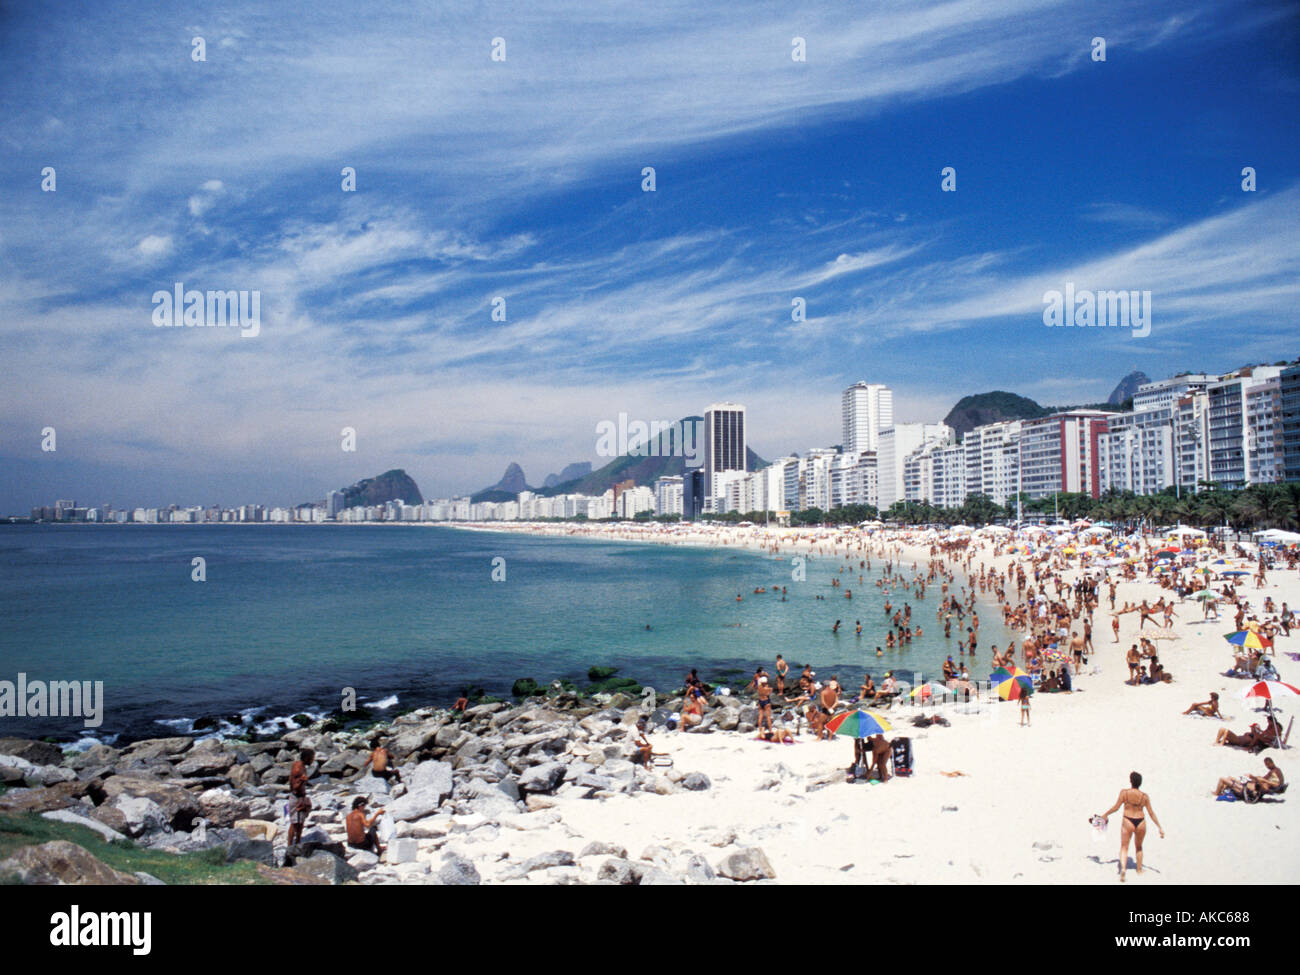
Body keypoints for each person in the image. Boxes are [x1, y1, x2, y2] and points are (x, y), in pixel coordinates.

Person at [1098, 771, 1164, 882]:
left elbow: (1116, 807)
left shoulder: (1124, 793)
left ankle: (1123, 870)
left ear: (1130, 781)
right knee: (1139, 847)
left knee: (1124, 847)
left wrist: (1106, 814)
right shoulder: (1144, 797)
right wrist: (1159, 827)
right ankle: (1139, 870)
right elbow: (1151, 813)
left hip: (1127, 820)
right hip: (1141, 821)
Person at [1215, 757, 1284, 801]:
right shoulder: (1273, 773)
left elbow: (1274, 783)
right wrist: (1252, 778)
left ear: (1271, 763)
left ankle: (1216, 793)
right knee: (1229, 777)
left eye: (1267, 765)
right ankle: (1222, 791)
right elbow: (1261, 779)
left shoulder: (1266, 786)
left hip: (1244, 789)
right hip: (1245, 786)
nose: (1267, 767)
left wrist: (1255, 778)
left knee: (1222, 779)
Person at [286, 748, 315, 847]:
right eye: (312, 758)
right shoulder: (298, 768)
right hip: (296, 797)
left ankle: (298, 842)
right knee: (294, 823)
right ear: (307, 758)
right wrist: (302, 781)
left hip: (301, 797)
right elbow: (294, 787)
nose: (313, 760)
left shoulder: (302, 766)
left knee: (301, 822)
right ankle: (289, 845)